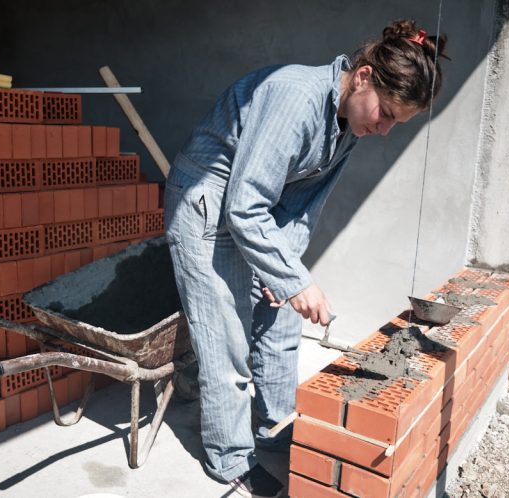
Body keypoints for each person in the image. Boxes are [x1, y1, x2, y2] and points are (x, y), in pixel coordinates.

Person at [164, 19, 449, 498]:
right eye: (385, 114)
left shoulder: (349, 124)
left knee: (281, 324)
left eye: (396, 124)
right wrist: (295, 281)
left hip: (252, 212)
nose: (383, 130)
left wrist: (286, 274)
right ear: (363, 77)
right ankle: (228, 458)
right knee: (227, 341)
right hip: (207, 208)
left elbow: (300, 207)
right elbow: (244, 206)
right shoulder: (295, 97)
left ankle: (276, 429)